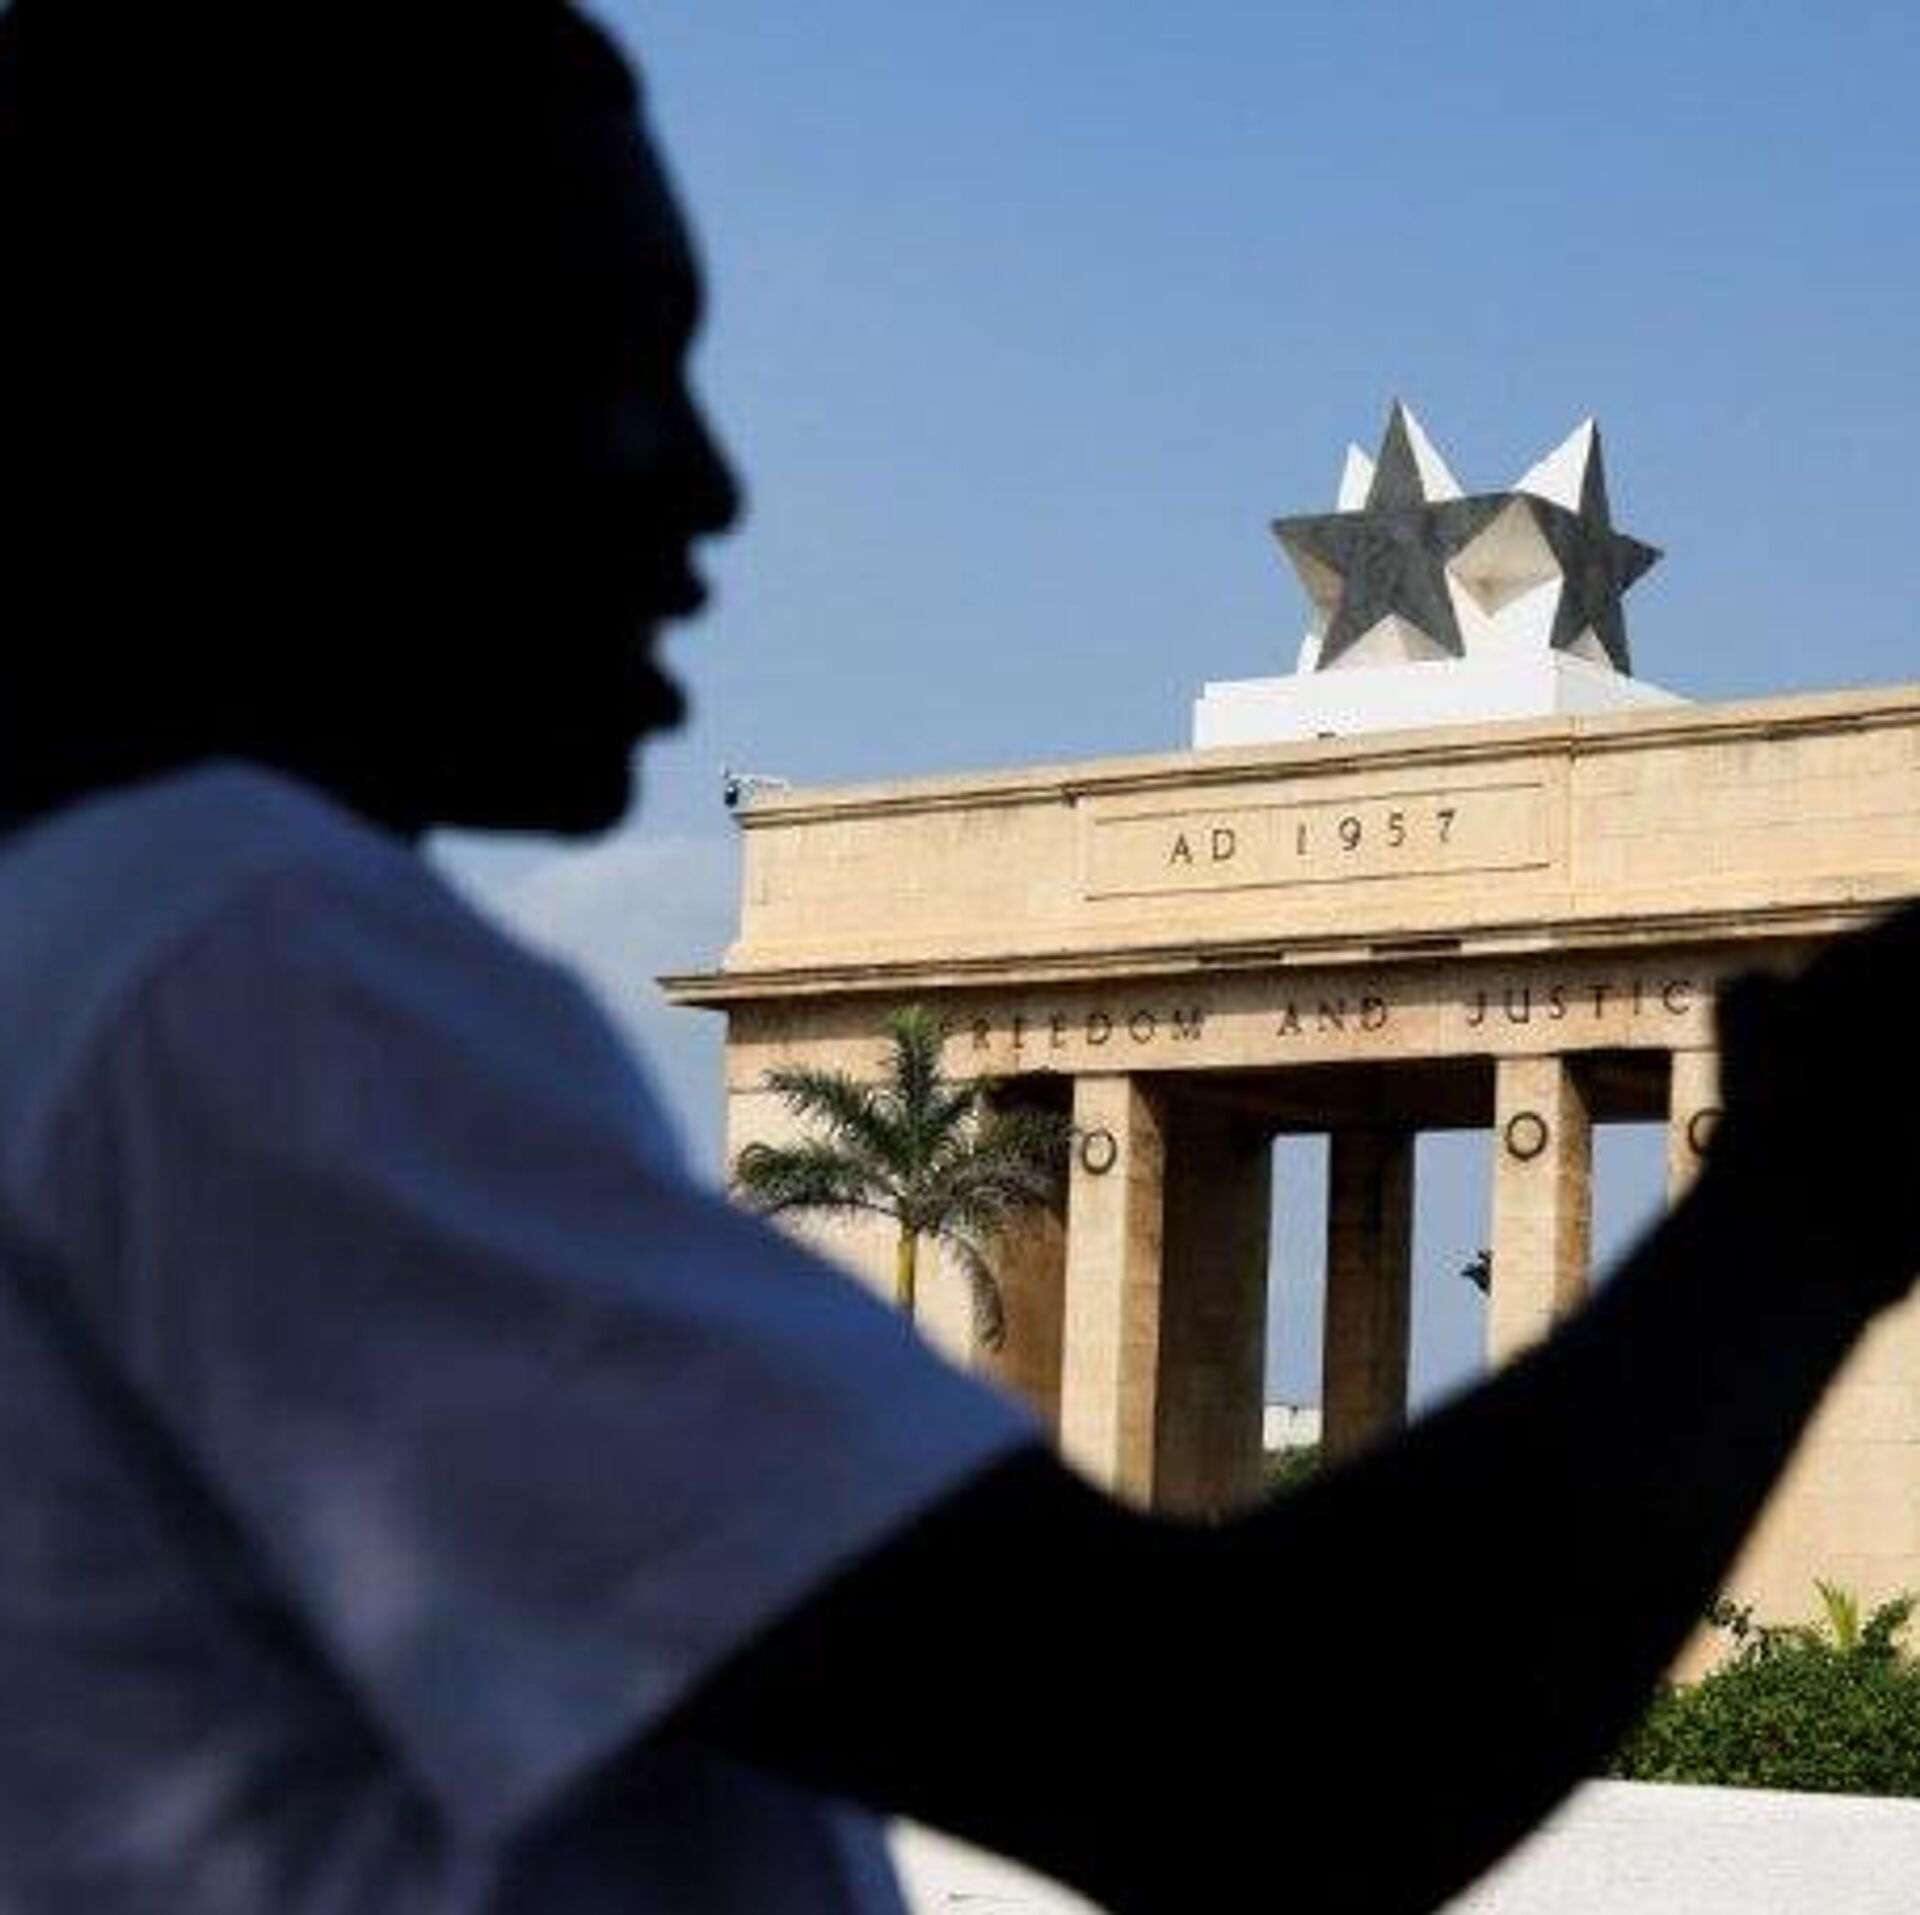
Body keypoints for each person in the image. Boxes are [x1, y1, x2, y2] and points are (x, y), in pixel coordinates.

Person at [0, 4, 1910, 1911]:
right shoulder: (246, 979)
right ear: (280, 392)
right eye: (607, 366)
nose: (707, 485)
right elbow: (1262, 1760)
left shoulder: (100, 963)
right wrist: (1813, 1197)